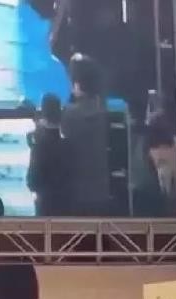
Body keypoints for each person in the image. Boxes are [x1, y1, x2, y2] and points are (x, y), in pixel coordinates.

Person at [61, 53, 111, 216]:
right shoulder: (102, 110)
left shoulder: (70, 114)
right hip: (101, 190)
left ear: (77, 84)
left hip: (77, 192)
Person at [26, 93, 71, 216]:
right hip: (67, 208)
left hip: (45, 208)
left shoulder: (39, 147)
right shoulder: (68, 146)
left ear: (43, 117)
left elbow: (32, 183)